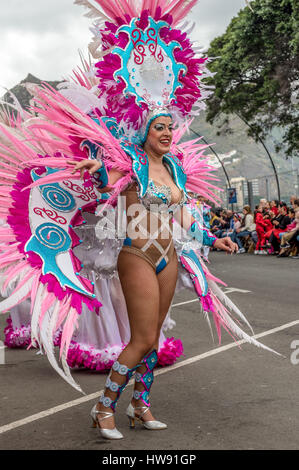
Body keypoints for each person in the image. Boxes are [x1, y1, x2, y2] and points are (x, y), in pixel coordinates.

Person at [0, 0, 277, 442]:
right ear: (144, 131)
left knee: (152, 339)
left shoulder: (177, 170)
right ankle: (103, 407)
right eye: (159, 127)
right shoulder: (130, 163)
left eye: (171, 126)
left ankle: (140, 405)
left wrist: (215, 238)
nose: (168, 132)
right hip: (137, 255)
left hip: (169, 253)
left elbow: (185, 214)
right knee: (143, 339)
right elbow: (106, 178)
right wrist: (93, 173)